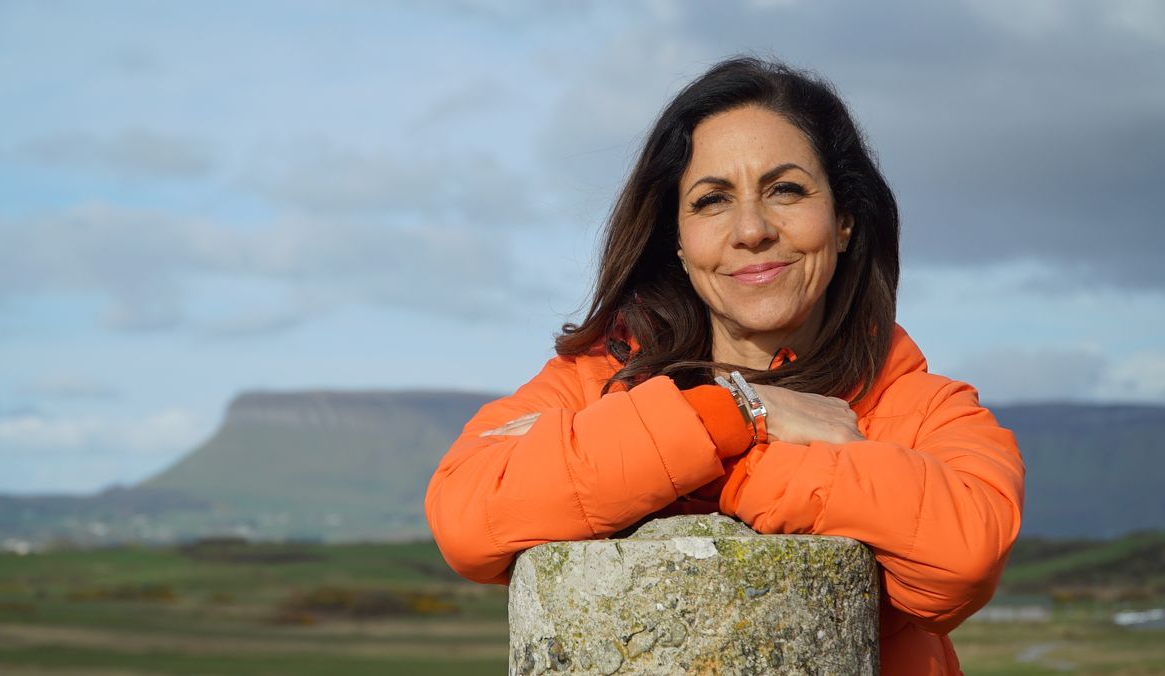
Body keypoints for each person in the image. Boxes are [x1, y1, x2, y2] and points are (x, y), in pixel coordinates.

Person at [425, 56, 1024, 675]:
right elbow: (467, 518)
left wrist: (685, 467)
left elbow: (962, 559)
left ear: (843, 220)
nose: (751, 230)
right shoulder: (595, 378)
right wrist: (731, 412)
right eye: (712, 200)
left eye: (785, 190)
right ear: (677, 241)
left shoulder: (925, 408)